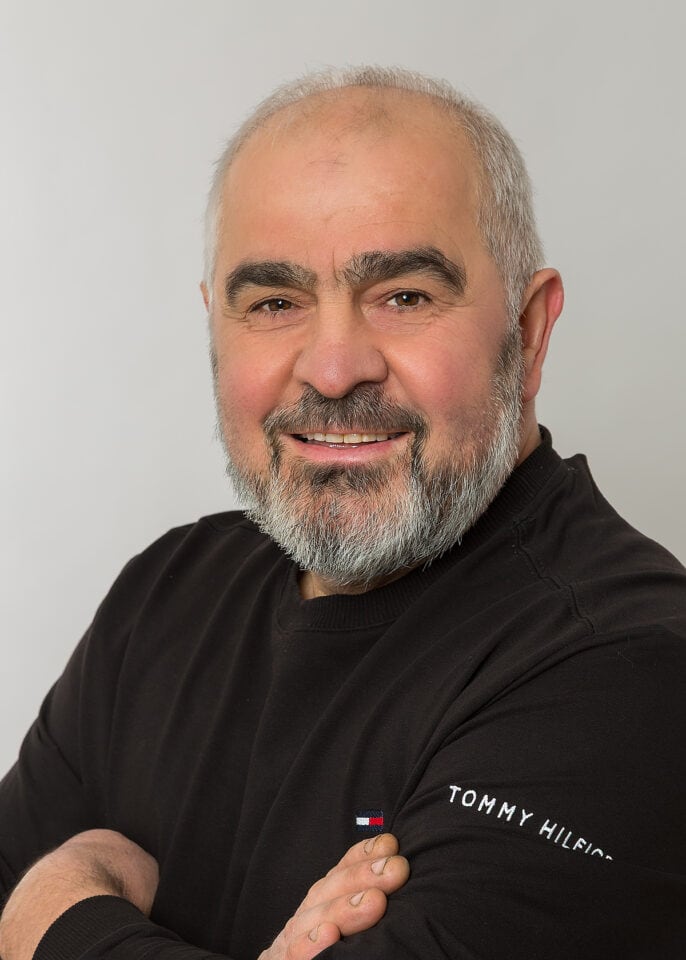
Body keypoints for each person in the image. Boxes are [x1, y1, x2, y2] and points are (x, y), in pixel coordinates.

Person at [1, 65, 685, 960]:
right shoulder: (166, 594)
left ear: (527, 332)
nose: (332, 370)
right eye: (275, 303)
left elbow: (18, 894)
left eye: (403, 296)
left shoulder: (629, 671)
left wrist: (55, 909)